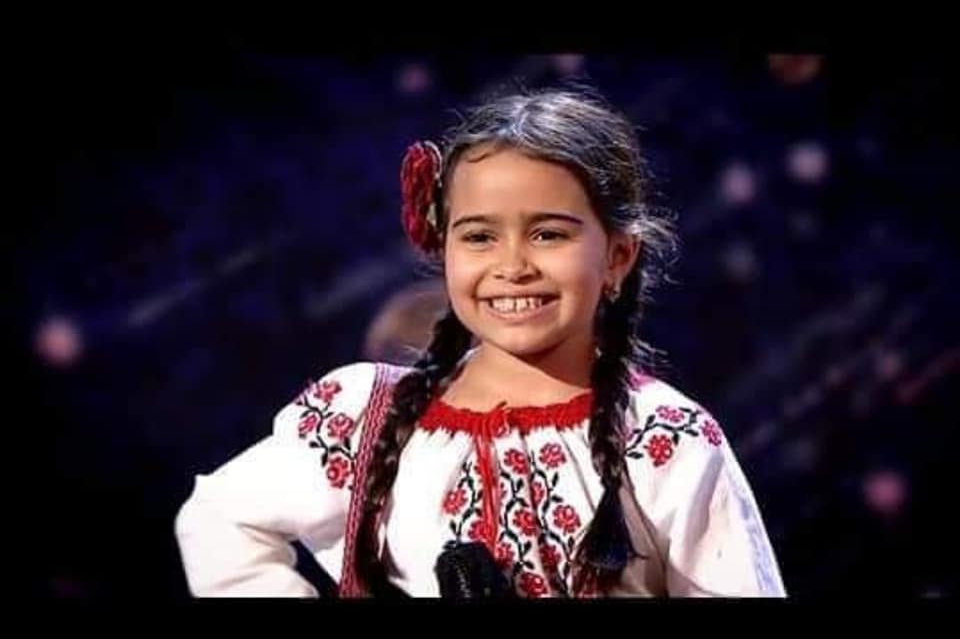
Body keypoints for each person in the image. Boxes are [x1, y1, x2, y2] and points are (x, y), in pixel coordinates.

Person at [174, 84, 787, 598]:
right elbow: (220, 520)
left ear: (618, 257)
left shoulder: (664, 439)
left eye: (548, 234)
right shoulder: (364, 418)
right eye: (479, 237)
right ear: (442, 248)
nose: (512, 265)